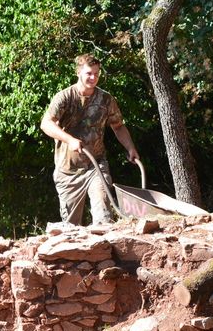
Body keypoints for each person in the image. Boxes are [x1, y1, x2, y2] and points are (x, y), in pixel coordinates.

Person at [40, 54, 140, 225]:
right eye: (88, 73)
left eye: (96, 73)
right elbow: (46, 124)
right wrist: (69, 140)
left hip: (96, 165)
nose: (93, 78)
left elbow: (118, 126)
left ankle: (107, 249)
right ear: (78, 72)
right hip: (68, 170)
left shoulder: (106, 99)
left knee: (104, 215)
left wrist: (130, 148)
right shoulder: (65, 97)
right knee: (71, 225)